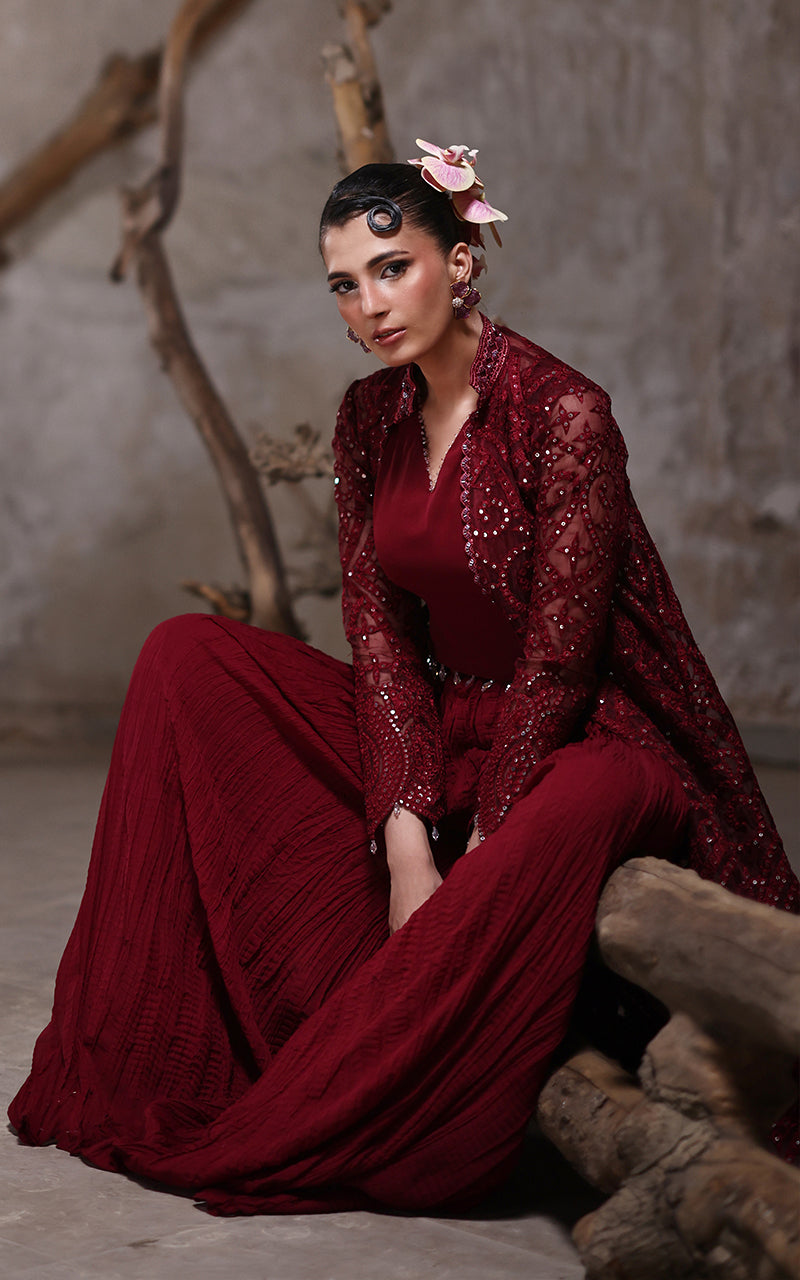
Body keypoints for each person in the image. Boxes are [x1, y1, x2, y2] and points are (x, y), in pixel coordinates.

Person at [9, 141, 799, 1215]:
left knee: (582, 795)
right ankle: (306, 1012)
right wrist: (407, 838)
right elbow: (380, 639)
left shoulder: (565, 414)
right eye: (344, 284)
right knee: (187, 654)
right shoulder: (366, 418)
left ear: (459, 261)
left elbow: (560, 663)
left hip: (591, 738)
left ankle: (372, 1093)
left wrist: (479, 848)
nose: (370, 305)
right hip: (441, 720)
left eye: (392, 268)